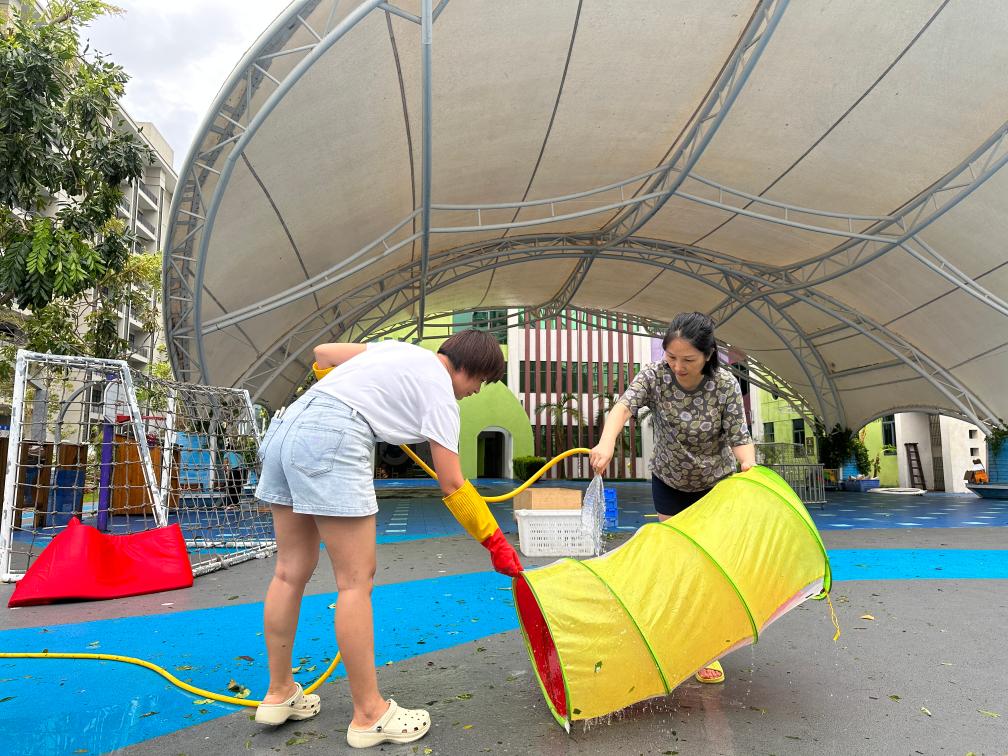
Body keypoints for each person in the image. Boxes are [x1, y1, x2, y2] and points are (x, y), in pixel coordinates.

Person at [252, 330, 523, 748]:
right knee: (354, 582)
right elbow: (453, 484)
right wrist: (495, 542)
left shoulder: (401, 351)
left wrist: (348, 389)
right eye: (481, 382)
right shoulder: (440, 395)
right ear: (470, 368)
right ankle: (369, 715)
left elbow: (321, 353)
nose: (474, 393)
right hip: (331, 435)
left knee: (289, 573)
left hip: (289, 425)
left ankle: (278, 692)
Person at [589, 312, 755, 685]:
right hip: (669, 480)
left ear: (708, 355)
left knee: (709, 568)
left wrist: (749, 469)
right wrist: (607, 440)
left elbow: (740, 438)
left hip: (716, 486)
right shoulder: (655, 375)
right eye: (671, 357)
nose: (678, 366)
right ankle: (682, 639)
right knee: (680, 564)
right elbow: (623, 407)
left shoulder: (724, 385)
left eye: (688, 360)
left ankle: (710, 646)